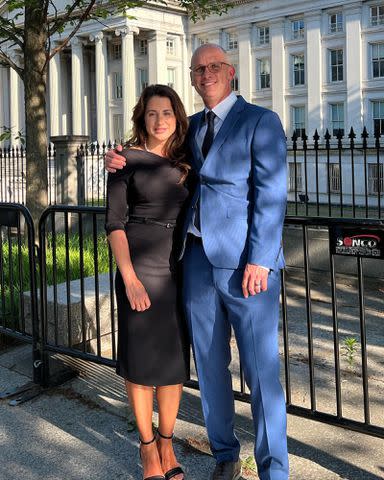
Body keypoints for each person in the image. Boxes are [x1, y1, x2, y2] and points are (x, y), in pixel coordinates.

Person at [106, 44, 289, 480]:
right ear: (192, 78)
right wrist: (119, 157)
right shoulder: (192, 129)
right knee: (208, 367)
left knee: (261, 372)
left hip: (249, 265)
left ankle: (274, 470)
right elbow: (157, 157)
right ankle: (225, 454)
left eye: (214, 67)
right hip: (195, 263)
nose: (206, 74)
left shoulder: (261, 121)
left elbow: (272, 194)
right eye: (198, 69)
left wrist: (261, 260)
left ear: (230, 72)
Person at [105, 84, 190, 480]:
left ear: (177, 117)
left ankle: (168, 442)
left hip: (176, 268)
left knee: (172, 364)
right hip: (137, 265)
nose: (160, 121)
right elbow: (114, 224)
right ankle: (147, 450)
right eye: (152, 113)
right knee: (140, 365)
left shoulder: (186, 159)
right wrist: (130, 279)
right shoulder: (124, 159)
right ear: (142, 116)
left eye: (167, 113)